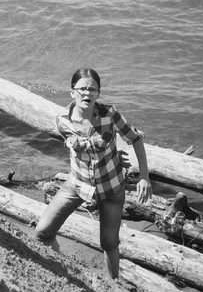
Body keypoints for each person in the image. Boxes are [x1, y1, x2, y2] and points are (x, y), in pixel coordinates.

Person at [35, 68, 151, 279]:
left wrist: (144, 176)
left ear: (98, 93)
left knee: (109, 242)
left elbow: (135, 138)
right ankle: (61, 269)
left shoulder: (110, 115)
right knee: (43, 231)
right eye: (82, 89)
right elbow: (76, 148)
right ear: (72, 92)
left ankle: (114, 285)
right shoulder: (62, 121)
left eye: (92, 89)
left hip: (111, 187)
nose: (87, 93)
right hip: (77, 185)